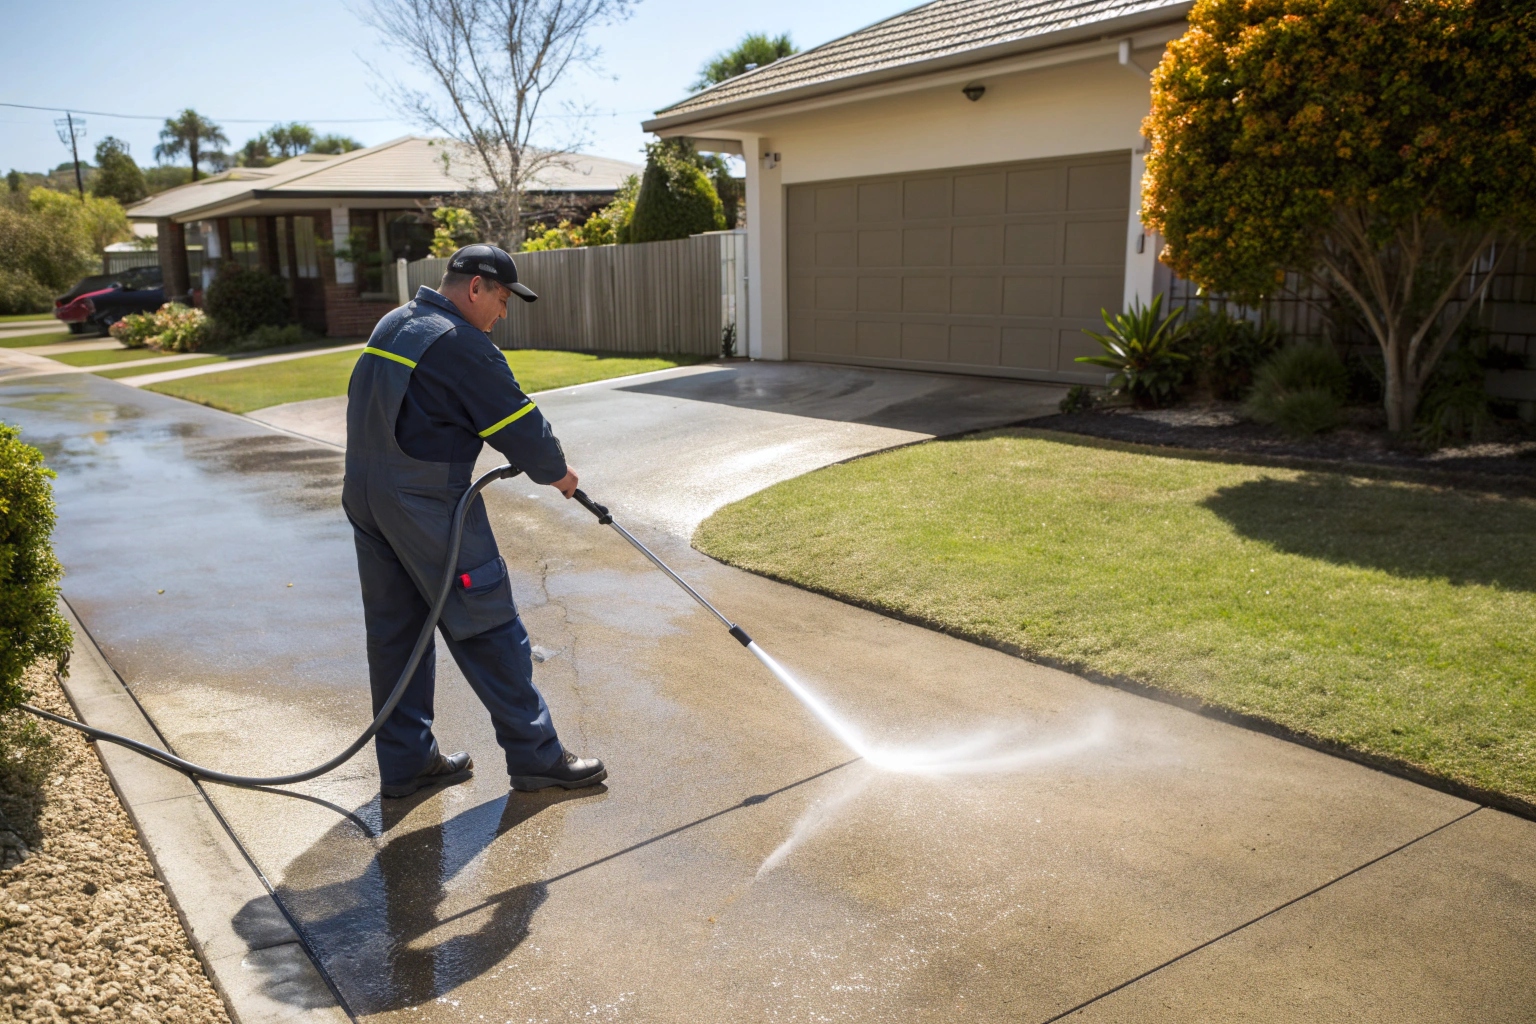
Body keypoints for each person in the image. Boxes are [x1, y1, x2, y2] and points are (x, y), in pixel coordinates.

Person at [343, 244, 606, 799]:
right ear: (476, 287)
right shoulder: (462, 343)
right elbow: (520, 425)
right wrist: (558, 473)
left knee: (396, 634)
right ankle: (537, 757)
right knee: (487, 620)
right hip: (426, 502)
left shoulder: (396, 323)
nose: (503, 313)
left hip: (366, 497)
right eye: (503, 299)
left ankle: (407, 764)